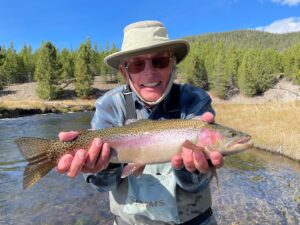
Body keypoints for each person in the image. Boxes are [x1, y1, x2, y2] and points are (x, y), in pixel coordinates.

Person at [57, 20, 223, 225]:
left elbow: (194, 186)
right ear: (124, 72)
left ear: (172, 64)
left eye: (160, 61)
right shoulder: (109, 105)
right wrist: (104, 166)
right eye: (137, 64)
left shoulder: (194, 101)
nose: (149, 72)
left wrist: (193, 168)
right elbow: (101, 186)